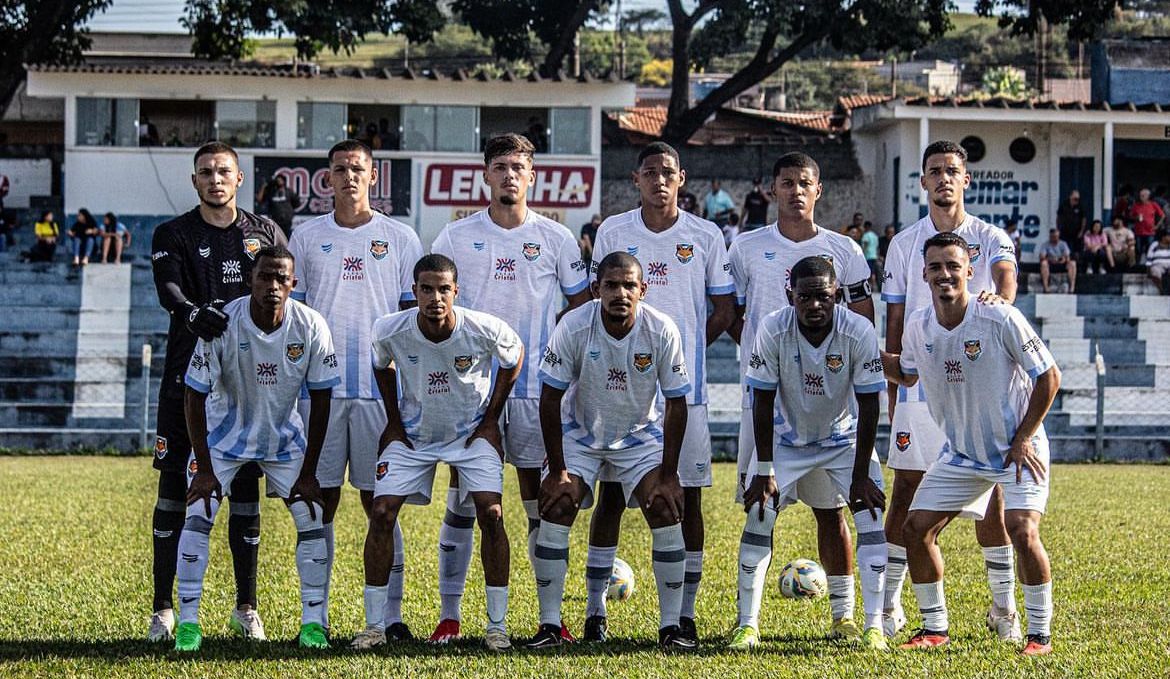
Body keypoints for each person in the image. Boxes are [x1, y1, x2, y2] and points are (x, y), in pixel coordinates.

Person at [430, 133, 590, 643]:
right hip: (472, 389)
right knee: (463, 497)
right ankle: (451, 617)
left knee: (536, 496)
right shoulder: (455, 238)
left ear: (533, 176)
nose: (510, 175)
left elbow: (581, 308)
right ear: (486, 175)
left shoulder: (557, 239)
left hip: (535, 387)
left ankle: (549, 619)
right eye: (500, 166)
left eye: (518, 166)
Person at [585, 141, 735, 645]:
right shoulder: (613, 230)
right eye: (649, 173)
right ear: (636, 179)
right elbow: (596, 297)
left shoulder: (706, 234)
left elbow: (724, 308)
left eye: (667, 172)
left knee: (685, 499)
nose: (658, 181)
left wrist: (681, 350)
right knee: (609, 497)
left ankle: (683, 615)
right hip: (617, 390)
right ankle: (595, 613)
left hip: (680, 393)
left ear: (682, 178)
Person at [884, 232, 1060, 657]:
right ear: (924, 275)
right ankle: (935, 627)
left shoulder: (998, 317)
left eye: (952, 266)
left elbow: (1049, 377)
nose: (944, 274)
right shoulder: (919, 326)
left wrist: (1022, 438)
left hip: (1018, 448)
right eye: (936, 267)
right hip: (963, 455)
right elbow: (906, 373)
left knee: (1021, 528)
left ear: (968, 271)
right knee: (915, 527)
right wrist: (858, 356)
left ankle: (1039, 635)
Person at [727, 151, 875, 642]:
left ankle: (847, 616)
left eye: (804, 183)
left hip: (831, 398)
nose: (795, 191)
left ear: (818, 191)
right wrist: (762, 358)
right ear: (772, 190)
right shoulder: (746, 247)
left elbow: (863, 318)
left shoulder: (846, 251)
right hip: (767, 398)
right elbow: (730, 310)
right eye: (785, 182)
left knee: (833, 510)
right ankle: (747, 623)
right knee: (761, 503)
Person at [880, 139, 1020, 642]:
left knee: (993, 500)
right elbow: (894, 321)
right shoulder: (903, 244)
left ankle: (1003, 610)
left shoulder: (990, 236)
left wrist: (997, 303)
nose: (943, 178)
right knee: (906, 492)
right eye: (934, 170)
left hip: (980, 388)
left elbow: (1006, 282)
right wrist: (894, 392)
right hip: (922, 389)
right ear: (922, 181)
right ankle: (890, 604)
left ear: (966, 180)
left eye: (952, 170)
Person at [148, 141, 287, 643]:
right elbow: (168, 289)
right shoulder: (174, 233)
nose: (214, 178)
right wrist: (191, 313)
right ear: (195, 181)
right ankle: (164, 610)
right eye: (205, 172)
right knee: (174, 489)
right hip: (186, 381)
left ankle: (245, 607)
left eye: (223, 171)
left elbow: (283, 292)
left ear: (239, 178)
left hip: (245, 385)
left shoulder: (264, 232)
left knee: (245, 489)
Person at [287, 139, 423, 640]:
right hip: (318, 393)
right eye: (340, 169)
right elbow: (294, 318)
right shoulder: (305, 236)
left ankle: (391, 619)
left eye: (357, 169)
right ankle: (316, 619)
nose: (348, 176)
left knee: (380, 504)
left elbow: (412, 323)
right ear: (327, 178)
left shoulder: (401, 238)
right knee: (319, 502)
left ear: (373, 177)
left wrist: (405, 399)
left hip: (378, 394)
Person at [354, 254, 522, 652]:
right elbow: (382, 365)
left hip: (470, 436)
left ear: (455, 292)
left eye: (444, 289)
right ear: (414, 292)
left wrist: (491, 421)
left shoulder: (484, 328)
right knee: (380, 513)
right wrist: (393, 422)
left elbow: (513, 360)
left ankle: (496, 626)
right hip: (414, 436)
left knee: (493, 515)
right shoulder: (389, 329)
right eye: (426, 289)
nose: (435, 297)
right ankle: (375, 626)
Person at [527, 252, 694, 651]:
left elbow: (676, 403)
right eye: (612, 285)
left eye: (629, 285)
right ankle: (551, 625)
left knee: (664, 506)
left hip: (638, 436)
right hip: (580, 433)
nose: (620, 293)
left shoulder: (661, 329)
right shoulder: (574, 325)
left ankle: (670, 628)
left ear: (643, 290)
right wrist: (558, 470)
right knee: (559, 504)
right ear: (595, 289)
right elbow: (550, 399)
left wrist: (669, 474)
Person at [176, 245, 337, 652]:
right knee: (199, 513)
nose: (272, 286)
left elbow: (321, 400)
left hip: (284, 442)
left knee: (312, 516)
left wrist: (309, 472)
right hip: (223, 442)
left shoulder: (312, 326)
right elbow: (193, 395)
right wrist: (206, 470)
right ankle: (189, 625)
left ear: (293, 285)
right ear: (251, 280)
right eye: (265, 277)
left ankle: (313, 624)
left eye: (281, 279)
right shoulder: (222, 323)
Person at [255, 174, 302, 239]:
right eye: (277, 180)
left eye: (281, 180)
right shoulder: (271, 192)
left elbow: (297, 203)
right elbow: (259, 199)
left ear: (284, 181)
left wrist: (289, 211)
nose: (279, 182)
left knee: (286, 239)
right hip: (275, 221)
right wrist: (264, 187)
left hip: (287, 221)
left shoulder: (289, 191)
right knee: (276, 239)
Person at [1129, 188, 1165, 262]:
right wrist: (1136, 217)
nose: (1141, 197)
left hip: (1150, 231)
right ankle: (1138, 265)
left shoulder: (1153, 204)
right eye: (1140, 195)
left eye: (1143, 196)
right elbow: (1130, 216)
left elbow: (1162, 215)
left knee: (1150, 249)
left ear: (1148, 196)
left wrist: (1157, 226)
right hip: (1139, 231)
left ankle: (1149, 263)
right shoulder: (1136, 205)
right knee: (1138, 249)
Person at [1038, 228, 1076, 294]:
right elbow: (1042, 257)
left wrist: (1064, 259)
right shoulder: (1045, 245)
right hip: (1051, 264)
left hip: (1062, 264)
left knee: (1072, 263)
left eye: (1056, 236)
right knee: (1043, 264)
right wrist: (1050, 259)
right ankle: (1046, 287)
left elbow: (1067, 256)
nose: (1054, 238)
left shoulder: (1063, 244)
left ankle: (1072, 287)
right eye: (1053, 236)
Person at [1056, 190, 1086, 258]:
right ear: (1070, 197)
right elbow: (1058, 217)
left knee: (1077, 248)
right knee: (1065, 246)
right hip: (1065, 229)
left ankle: (1077, 261)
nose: (1076, 200)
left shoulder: (1080, 206)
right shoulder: (1064, 204)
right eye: (1075, 198)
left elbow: (1084, 218)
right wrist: (1058, 228)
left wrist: (1081, 230)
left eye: (1078, 198)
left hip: (1076, 230)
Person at [1145, 229, 1170, 294]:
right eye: (1168, 236)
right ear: (1163, 237)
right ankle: (1162, 290)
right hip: (1157, 265)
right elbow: (1149, 259)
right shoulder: (1155, 244)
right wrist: (1148, 271)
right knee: (1155, 272)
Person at [861, 220, 880, 285]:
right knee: (873, 272)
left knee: (868, 272)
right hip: (874, 256)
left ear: (865, 227)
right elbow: (877, 247)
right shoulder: (875, 236)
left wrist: (862, 254)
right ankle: (874, 284)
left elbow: (865, 245)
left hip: (868, 256)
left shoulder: (866, 235)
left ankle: (871, 285)